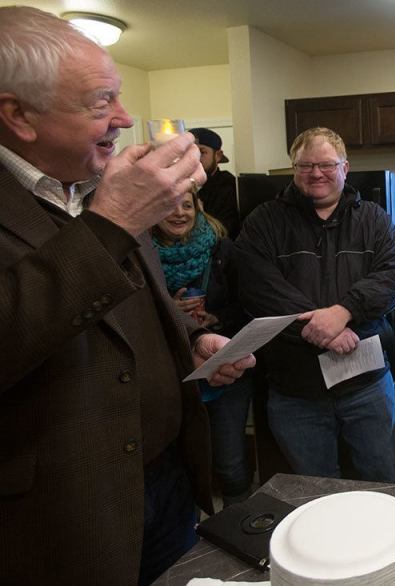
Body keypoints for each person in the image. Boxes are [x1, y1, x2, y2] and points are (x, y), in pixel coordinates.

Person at [0, 7, 255, 584]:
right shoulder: (116, 204)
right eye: (100, 102)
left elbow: (136, 305)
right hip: (62, 513)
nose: (125, 116)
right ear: (18, 115)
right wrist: (111, 221)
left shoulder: (103, 186)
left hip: (166, 478)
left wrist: (192, 340)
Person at [235, 127, 395, 482]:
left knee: (381, 482)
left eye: (327, 164)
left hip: (366, 384)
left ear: (345, 168)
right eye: (306, 165)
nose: (316, 173)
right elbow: (257, 287)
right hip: (295, 390)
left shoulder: (373, 219)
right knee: (315, 491)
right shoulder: (264, 221)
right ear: (293, 168)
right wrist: (323, 332)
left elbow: (392, 275)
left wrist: (343, 312)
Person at [152, 192, 254, 507]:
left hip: (225, 368)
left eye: (187, 205)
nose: (179, 213)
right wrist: (171, 311)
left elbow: (250, 303)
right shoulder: (139, 251)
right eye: (169, 204)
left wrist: (215, 318)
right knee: (179, 463)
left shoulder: (223, 249)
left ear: (200, 208)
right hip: (170, 372)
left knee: (229, 460)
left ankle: (240, 530)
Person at [191, 127, 240, 238]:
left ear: (217, 155)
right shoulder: (180, 186)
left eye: (202, 152)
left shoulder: (229, 186)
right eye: (190, 153)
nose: (194, 159)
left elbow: (225, 232)